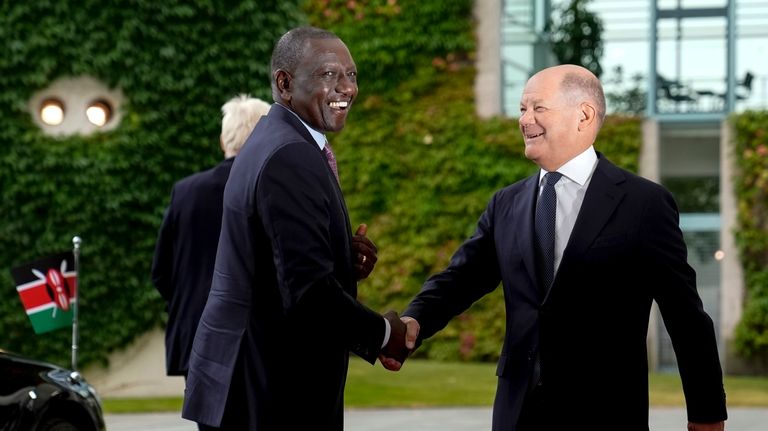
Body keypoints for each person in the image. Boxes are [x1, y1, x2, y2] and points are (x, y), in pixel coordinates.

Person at [384, 64, 727, 431]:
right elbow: (461, 278)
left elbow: (686, 316)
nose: (524, 119)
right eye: (521, 109)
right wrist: (415, 319)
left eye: (538, 108)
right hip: (517, 413)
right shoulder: (506, 203)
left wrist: (706, 414)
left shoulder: (644, 203)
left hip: (606, 413)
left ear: (584, 115)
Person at [181, 27, 408, 431]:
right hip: (267, 390)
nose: (347, 88)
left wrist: (339, 253)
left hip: (253, 381)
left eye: (352, 74)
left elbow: (278, 260)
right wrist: (385, 332)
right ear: (284, 83)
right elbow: (308, 292)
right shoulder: (289, 154)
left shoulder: (280, 139)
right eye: (328, 74)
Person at [151, 94, 271, 378]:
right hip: (257, 341)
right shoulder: (271, 190)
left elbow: (161, 272)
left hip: (196, 337)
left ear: (222, 141)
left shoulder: (186, 192)